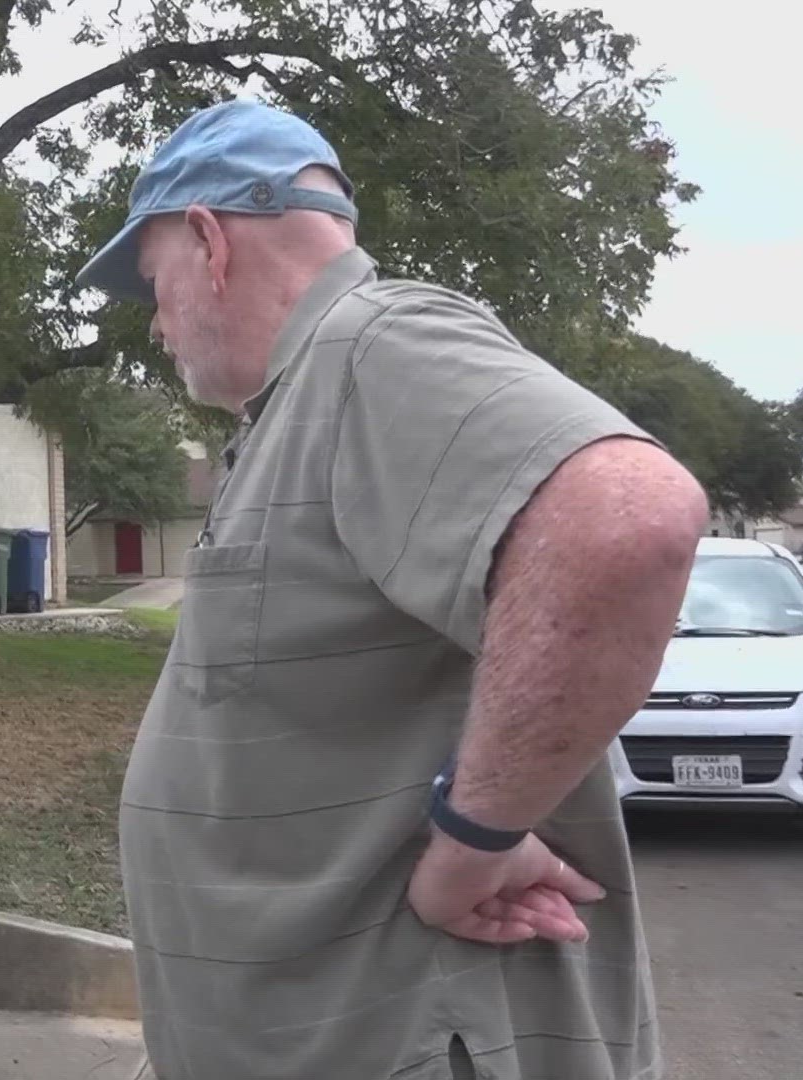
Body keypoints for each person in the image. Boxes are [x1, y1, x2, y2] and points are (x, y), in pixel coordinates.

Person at [76, 99, 708, 1080]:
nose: (155, 321)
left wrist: (474, 837)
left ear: (209, 241)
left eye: (153, 282)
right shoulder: (301, 398)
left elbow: (628, 517)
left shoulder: (371, 343)